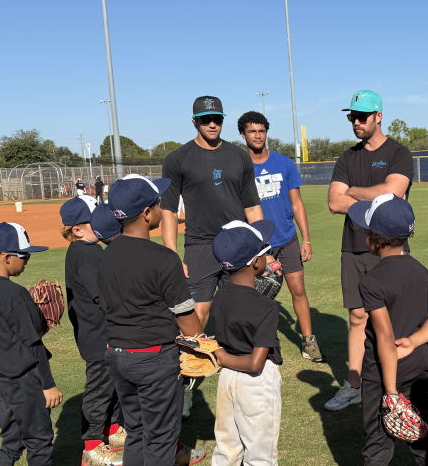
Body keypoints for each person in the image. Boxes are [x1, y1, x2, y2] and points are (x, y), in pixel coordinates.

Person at [100, 174, 205, 466]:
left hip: (118, 355)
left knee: (136, 431)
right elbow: (186, 318)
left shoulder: (106, 256)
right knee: (160, 439)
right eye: (157, 204)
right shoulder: (163, 258)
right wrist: (204, 346)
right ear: (147, 214)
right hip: (154, 359)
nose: (161, 208)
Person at [326, 90, 414, 411]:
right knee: (357, 317)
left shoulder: (398, 153)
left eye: (362, 116)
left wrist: (354, 191)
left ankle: (397, 384)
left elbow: (393, 191)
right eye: (352, 116)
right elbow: (335, 202)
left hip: (389, 248)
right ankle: (354, 385)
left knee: (397, 316)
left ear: (379, 116)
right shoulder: (347, 158)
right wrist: (374, 196)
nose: (356, 122)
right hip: (353, 247)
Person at [350, 194, 428, 466]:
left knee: (378, 446)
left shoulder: (371, 282)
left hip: (382, 376)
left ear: (376, 239)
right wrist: (414, 341)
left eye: (367, 230)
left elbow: (385, 337)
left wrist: (390, 392)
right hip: (417, 371)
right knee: (423, 439)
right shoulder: (420, 270)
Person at [160, 95, 264, 328]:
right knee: (198, 312)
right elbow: (168, 210)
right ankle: (194, 361)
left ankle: (235, 360)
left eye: (217, 118)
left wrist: (261, 246)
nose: (212, 124)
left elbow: (252, 205)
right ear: (195, 121)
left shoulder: (239, 157)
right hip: (200, 245)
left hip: (237, 243)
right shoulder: (177, 159)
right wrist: (172, 256)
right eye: (205, 119)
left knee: (239, 310)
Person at [237, 110, 323, 363]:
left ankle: (309, 341)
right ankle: (255, 343)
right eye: (252, 131)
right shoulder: (240, 167)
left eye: (261, 131)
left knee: (299, 291)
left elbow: (297, 203)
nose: (257, 135)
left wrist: (306, 239)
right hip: (257, 246)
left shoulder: (284, 163)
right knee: (257, 297)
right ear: (243, 135)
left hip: (288, 240)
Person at [0, 222, 60, 466]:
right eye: (24, 255)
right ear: (5, 256)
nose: (27, 260)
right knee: (39, 441)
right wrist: (49, 385)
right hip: (26, 382)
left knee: (11, 444)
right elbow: (32, 344)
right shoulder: (16, 294)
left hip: (1, 382)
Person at [207, 219, 284, 466]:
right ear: (255, 262)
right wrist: (221, 356)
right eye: (265, 251)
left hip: (227, 379)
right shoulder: (267, 307)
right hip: (257, 383)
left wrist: (223, 359)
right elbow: (255, 363)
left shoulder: (218, 297)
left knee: (226, 451)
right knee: (260, 456)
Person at [60, 195, 125, 465]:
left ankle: (113, 431)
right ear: (77, 230)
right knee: (99, 390)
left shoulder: (91, 250)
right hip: (98, 336)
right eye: (93, 220)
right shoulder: (85, 255)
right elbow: (103, 296)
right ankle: (92, 445)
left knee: (115, 386)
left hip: (104, 332)